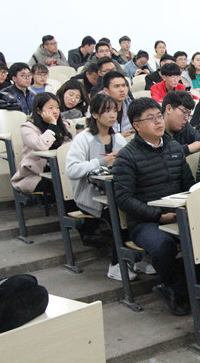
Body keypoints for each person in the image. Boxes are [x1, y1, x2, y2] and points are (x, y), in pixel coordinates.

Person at [112, 97, 194, 316]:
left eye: (159, 116)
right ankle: (175, 289)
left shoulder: (174, 147)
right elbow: (124, 199)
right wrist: (158, 216)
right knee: (163, 246)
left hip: (177, 214)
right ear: (137, 126)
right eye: (151, 118)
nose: (158, 122)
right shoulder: (127, 157)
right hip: (146, 222)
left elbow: (188, 185)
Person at [65, 93, 133, 279]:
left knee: (135, 208)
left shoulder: (118, 139)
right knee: (118, 215)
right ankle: (116, 264)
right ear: (94, 114)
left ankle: (136, 258)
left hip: (114, 192)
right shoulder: (83, 139)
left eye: (114, 111)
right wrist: (100, 162)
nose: (112, 115)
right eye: (107, 111)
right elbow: (72, 170)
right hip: (89, 196)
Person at [11, 92, 72, 194]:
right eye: (50, 108)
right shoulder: (28, 127)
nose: (55, 111)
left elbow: (68, 148)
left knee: (75, 181)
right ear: (39, 110)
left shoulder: (64, 125)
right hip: (36, 174)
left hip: (61, 169)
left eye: (57, 107)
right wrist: (52, 125)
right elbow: (41, 146)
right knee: (60, 184)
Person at [161, 90, 200, 156]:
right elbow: (159, 156)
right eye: (184, 112)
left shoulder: (185, 126)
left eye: (189, 114)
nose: (186, 118)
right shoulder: (154, 130)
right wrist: (188, 148)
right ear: (169, 109)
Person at [101, 71, 134, 137]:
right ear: (106, 91)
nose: (122, 90)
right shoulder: (98, 108)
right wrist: (120, 137)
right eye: (117, 86)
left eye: (123, 85)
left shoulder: (130, 105)